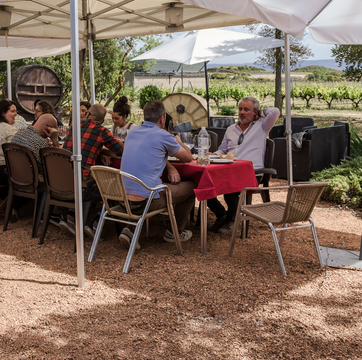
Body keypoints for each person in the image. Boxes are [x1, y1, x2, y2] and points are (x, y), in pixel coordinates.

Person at [119, 100, 195, 247]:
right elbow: (188, 157)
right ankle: (175, 232)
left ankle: (131, 228)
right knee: (192, 187)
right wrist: (178, 141)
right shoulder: (163, 135)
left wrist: (170, 166)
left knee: (145, 185)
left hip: (121, 199)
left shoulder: (132, 132)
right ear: (162, 118)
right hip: (145, 202)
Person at [208, 97, 281, 232]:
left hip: (252, 172)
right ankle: (221, 214)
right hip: (228, 170)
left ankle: (230, 221)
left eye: (246, 109)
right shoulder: (230, 129)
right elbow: (222, 150)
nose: (242, 112)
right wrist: (213, 154)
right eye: (240, 109)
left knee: (230, 192)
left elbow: (275, 112)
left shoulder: (262, 126)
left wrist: (260, 114)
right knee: (204, 184)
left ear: (255, 112)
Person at [62, 103, 123, 181]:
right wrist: (105, 152)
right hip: (83, 182)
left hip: (63, 177)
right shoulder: (101, 131)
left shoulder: (73, 126)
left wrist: (101, 153)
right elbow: (122, 150)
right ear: (103, 121)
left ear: (88, 114)